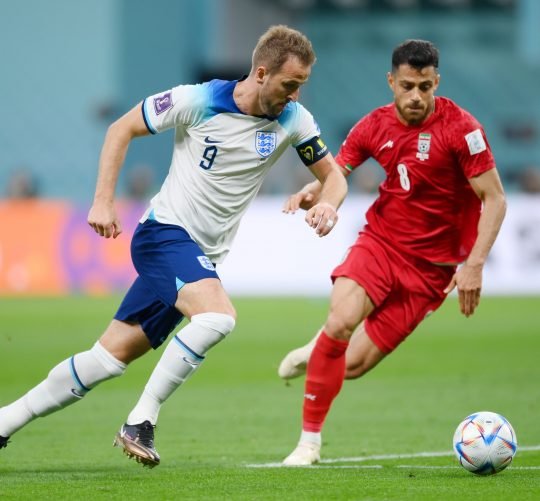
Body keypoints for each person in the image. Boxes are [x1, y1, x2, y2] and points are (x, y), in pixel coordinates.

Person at [0, 25, 347, 467]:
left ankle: (5, 420)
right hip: (164, 235)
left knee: (106, 360)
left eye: (301, 86)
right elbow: (121, 128)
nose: (295, 96)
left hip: (200, 258)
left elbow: (333, 177)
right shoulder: (198, 100)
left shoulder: (294, 120)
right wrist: (103, 200)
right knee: (218, 317)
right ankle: (140, 420)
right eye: (290, 84)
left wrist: (329, 204)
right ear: (261, 73)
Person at [278, 39, 507, 466]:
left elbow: (494, 198)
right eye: (407, 86)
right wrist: (317, 190)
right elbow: (338, 171)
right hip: (381, 244)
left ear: (437, 82)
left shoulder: (463, 130)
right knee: (341, 321)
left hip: (432, 272)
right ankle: (308, 443)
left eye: (425, 86)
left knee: (351, 366)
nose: (416, 96)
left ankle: (318, 347)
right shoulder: (373, 125)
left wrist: (473, 264)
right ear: (391, 82)